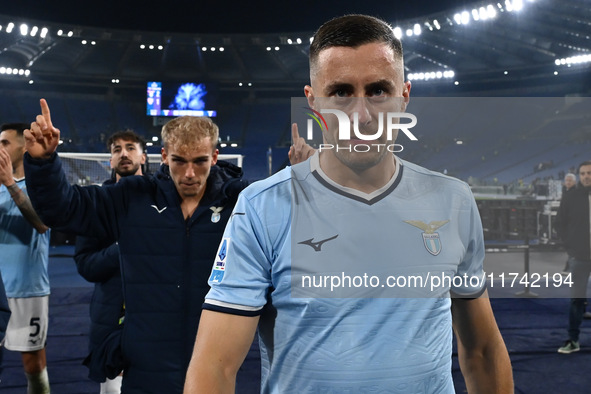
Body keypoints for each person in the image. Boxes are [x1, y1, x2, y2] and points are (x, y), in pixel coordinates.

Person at [184, 14, 513, 393]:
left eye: (378, 91)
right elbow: (214, 368)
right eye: (340, 92)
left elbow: (483, 352)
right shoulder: (261, 207)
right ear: (313, 102)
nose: (361, 115)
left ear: (404, 98)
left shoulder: (452, 201)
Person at [22, 108, 250, 393]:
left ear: (214, 158)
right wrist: (43, 163)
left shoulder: (241, 203)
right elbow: (64, 209)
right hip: (145, 366)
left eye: (200, 161)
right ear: (164, 156)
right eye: (179, 161)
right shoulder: (131, 196)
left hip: (214, 362)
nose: (189, 173)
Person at [74, 130, 147, 393]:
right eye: (117, 149)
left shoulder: (164, 200)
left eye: (130, 147)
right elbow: (86, 266)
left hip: (157, 319)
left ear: (144, 156)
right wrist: (122, 247)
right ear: (110, 161)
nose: (123, 153)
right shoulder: (94, 204)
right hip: (110, 319)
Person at [0, 122, 51, 393]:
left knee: (33, 365)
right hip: (0, 287)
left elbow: (41, 223)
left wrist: (9, 182)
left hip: (27, 289)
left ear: (23, 147)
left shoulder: (41, 184)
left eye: (5, 143)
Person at [556, 161, 591, 354]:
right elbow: (559, 223)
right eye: (583, 173)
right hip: (579, 257)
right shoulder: (571, 197)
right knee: (577, 300)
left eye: (590, 173)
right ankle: (573, 340)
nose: (586, 176)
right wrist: (571, 247)